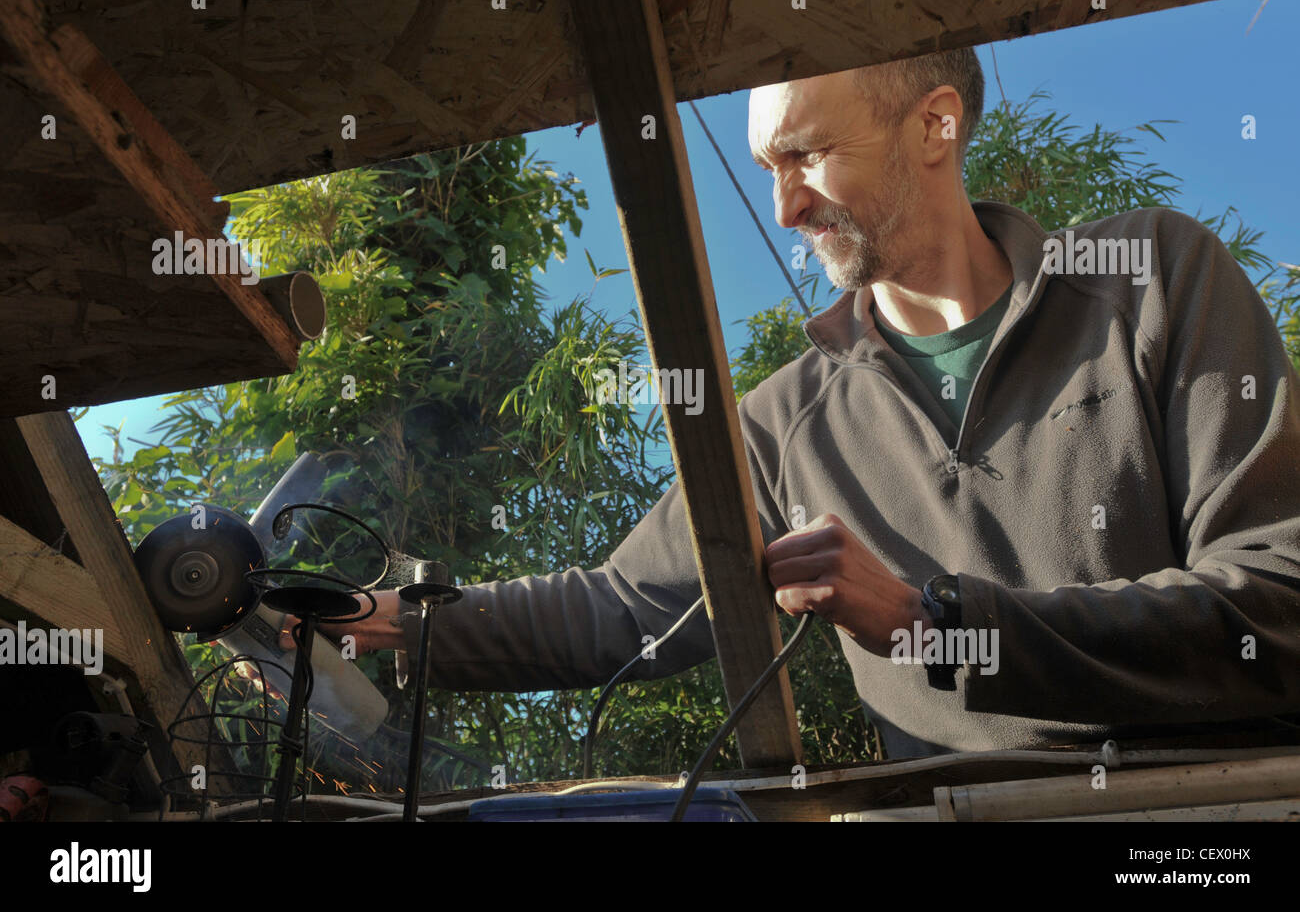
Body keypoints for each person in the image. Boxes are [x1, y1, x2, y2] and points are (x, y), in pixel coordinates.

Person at [286, 48, 1300, 759]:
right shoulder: (780, 420)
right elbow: (618, 608)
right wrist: (375, 621)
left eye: (805, 154)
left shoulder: (1148, 280)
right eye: (770, 166)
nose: (783, 206)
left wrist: (928, 621)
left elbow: (1274, 605)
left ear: (936, 123)